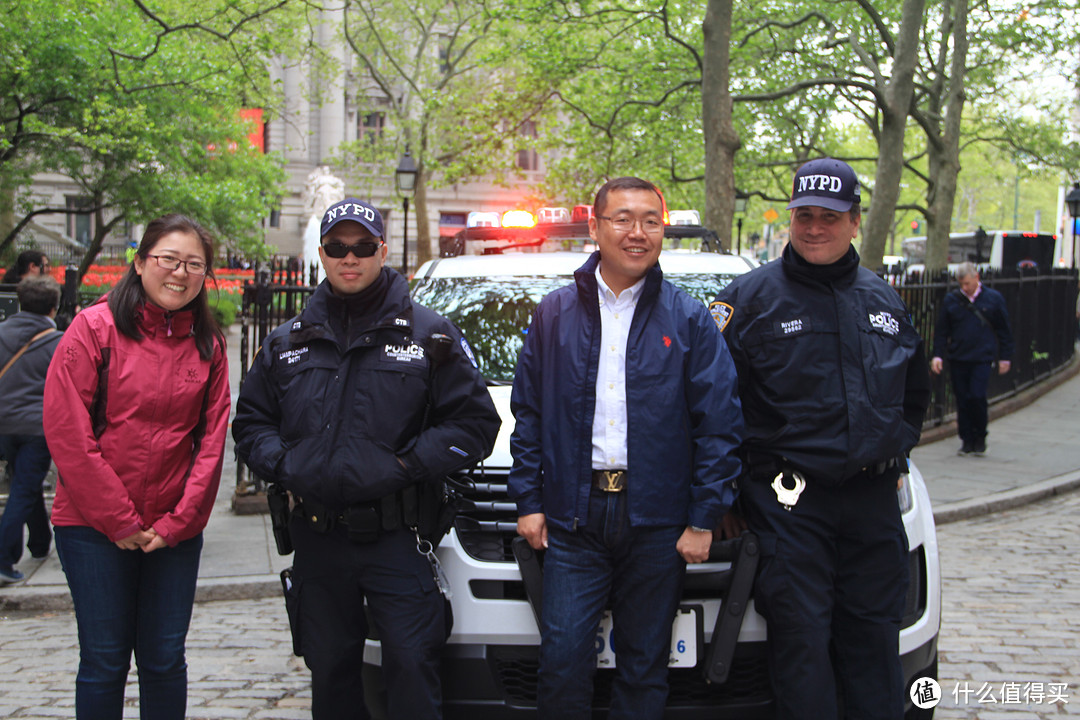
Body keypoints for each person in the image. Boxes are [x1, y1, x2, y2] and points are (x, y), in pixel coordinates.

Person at [232, 197, 500, 720]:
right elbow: (249, 424)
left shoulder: (430, 335)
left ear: (382, 251)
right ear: (322, 253)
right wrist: (287, 465)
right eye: (336, 247)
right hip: (317, 538)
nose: (348, 258)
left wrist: (405, 467)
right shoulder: (287, 341)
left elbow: (474, 426)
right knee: (330, 675)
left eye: (361, 247)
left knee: (410, 670)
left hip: (398, 540)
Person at [509, 176, 745, 719]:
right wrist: (528, 501)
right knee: (563, 661)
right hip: (574, 522)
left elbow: (719, 423)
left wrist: (704, 516)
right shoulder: (554, 315)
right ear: (595, 227)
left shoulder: (689, 318)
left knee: (644, 669)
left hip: (659, 523)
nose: (637, 233)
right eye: (622, 219)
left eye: (650, 221)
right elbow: (529, 416)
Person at [711, 158, 931, 720]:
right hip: (790, 504)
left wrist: (895, 452)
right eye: (803, 215)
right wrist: (729, 497)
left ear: (854, 222)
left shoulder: (883, 299)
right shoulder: (748, 300)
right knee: (802, 646)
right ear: (790, 219)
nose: (814, 228)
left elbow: (913, 395)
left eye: (829, 217)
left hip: (870, 504)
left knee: (874, 641)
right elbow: (713, 407)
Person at [43, 214, 230, 720]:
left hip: (173, 530)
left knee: (165, 659)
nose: (180, 273)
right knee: (104, 660)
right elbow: (67, 432)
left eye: (194, 264)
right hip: (90, 527)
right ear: (141, 261)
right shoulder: (94, 328)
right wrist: (119, 519)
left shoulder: (208, 344)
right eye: (169, 259)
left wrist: (178, 523)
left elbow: (212, 443)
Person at [0, 276, 63, 583]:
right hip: (37, 426)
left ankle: (39, 541)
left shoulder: (1, 334)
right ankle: (2, 557)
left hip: (3, 424)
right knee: (24, 489)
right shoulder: (58, 341)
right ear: (54, 307)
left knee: (24, 482)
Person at [930, 261, 1013, 456]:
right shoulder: (953, 300)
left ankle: (980, 436)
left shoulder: (993, 299)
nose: (964, 288)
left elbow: (1004, 330)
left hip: (982, 356)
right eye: (961, 284)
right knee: (962, 398)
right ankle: (966, 439)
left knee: (977, 395)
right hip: (959, 356)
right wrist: (938, 355)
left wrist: (1005, 357)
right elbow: (942, 331)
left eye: (967, 283)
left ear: (977, 278)